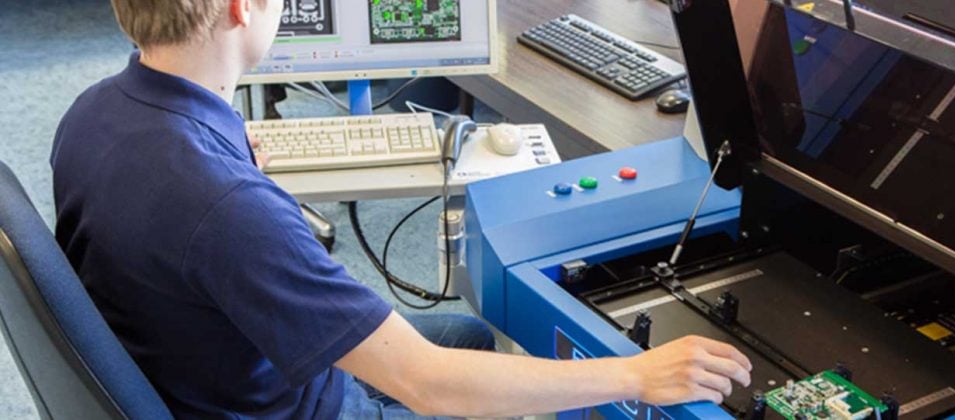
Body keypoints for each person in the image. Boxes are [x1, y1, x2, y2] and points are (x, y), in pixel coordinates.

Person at [49, 0, 752, 418]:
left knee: (473, 335)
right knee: (465, 366)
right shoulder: (229, 209)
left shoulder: (92, 114)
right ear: (239, 7)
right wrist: (637, 373)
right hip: (293, 407)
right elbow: (428, 383)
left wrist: (230, 159)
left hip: (202, 376)